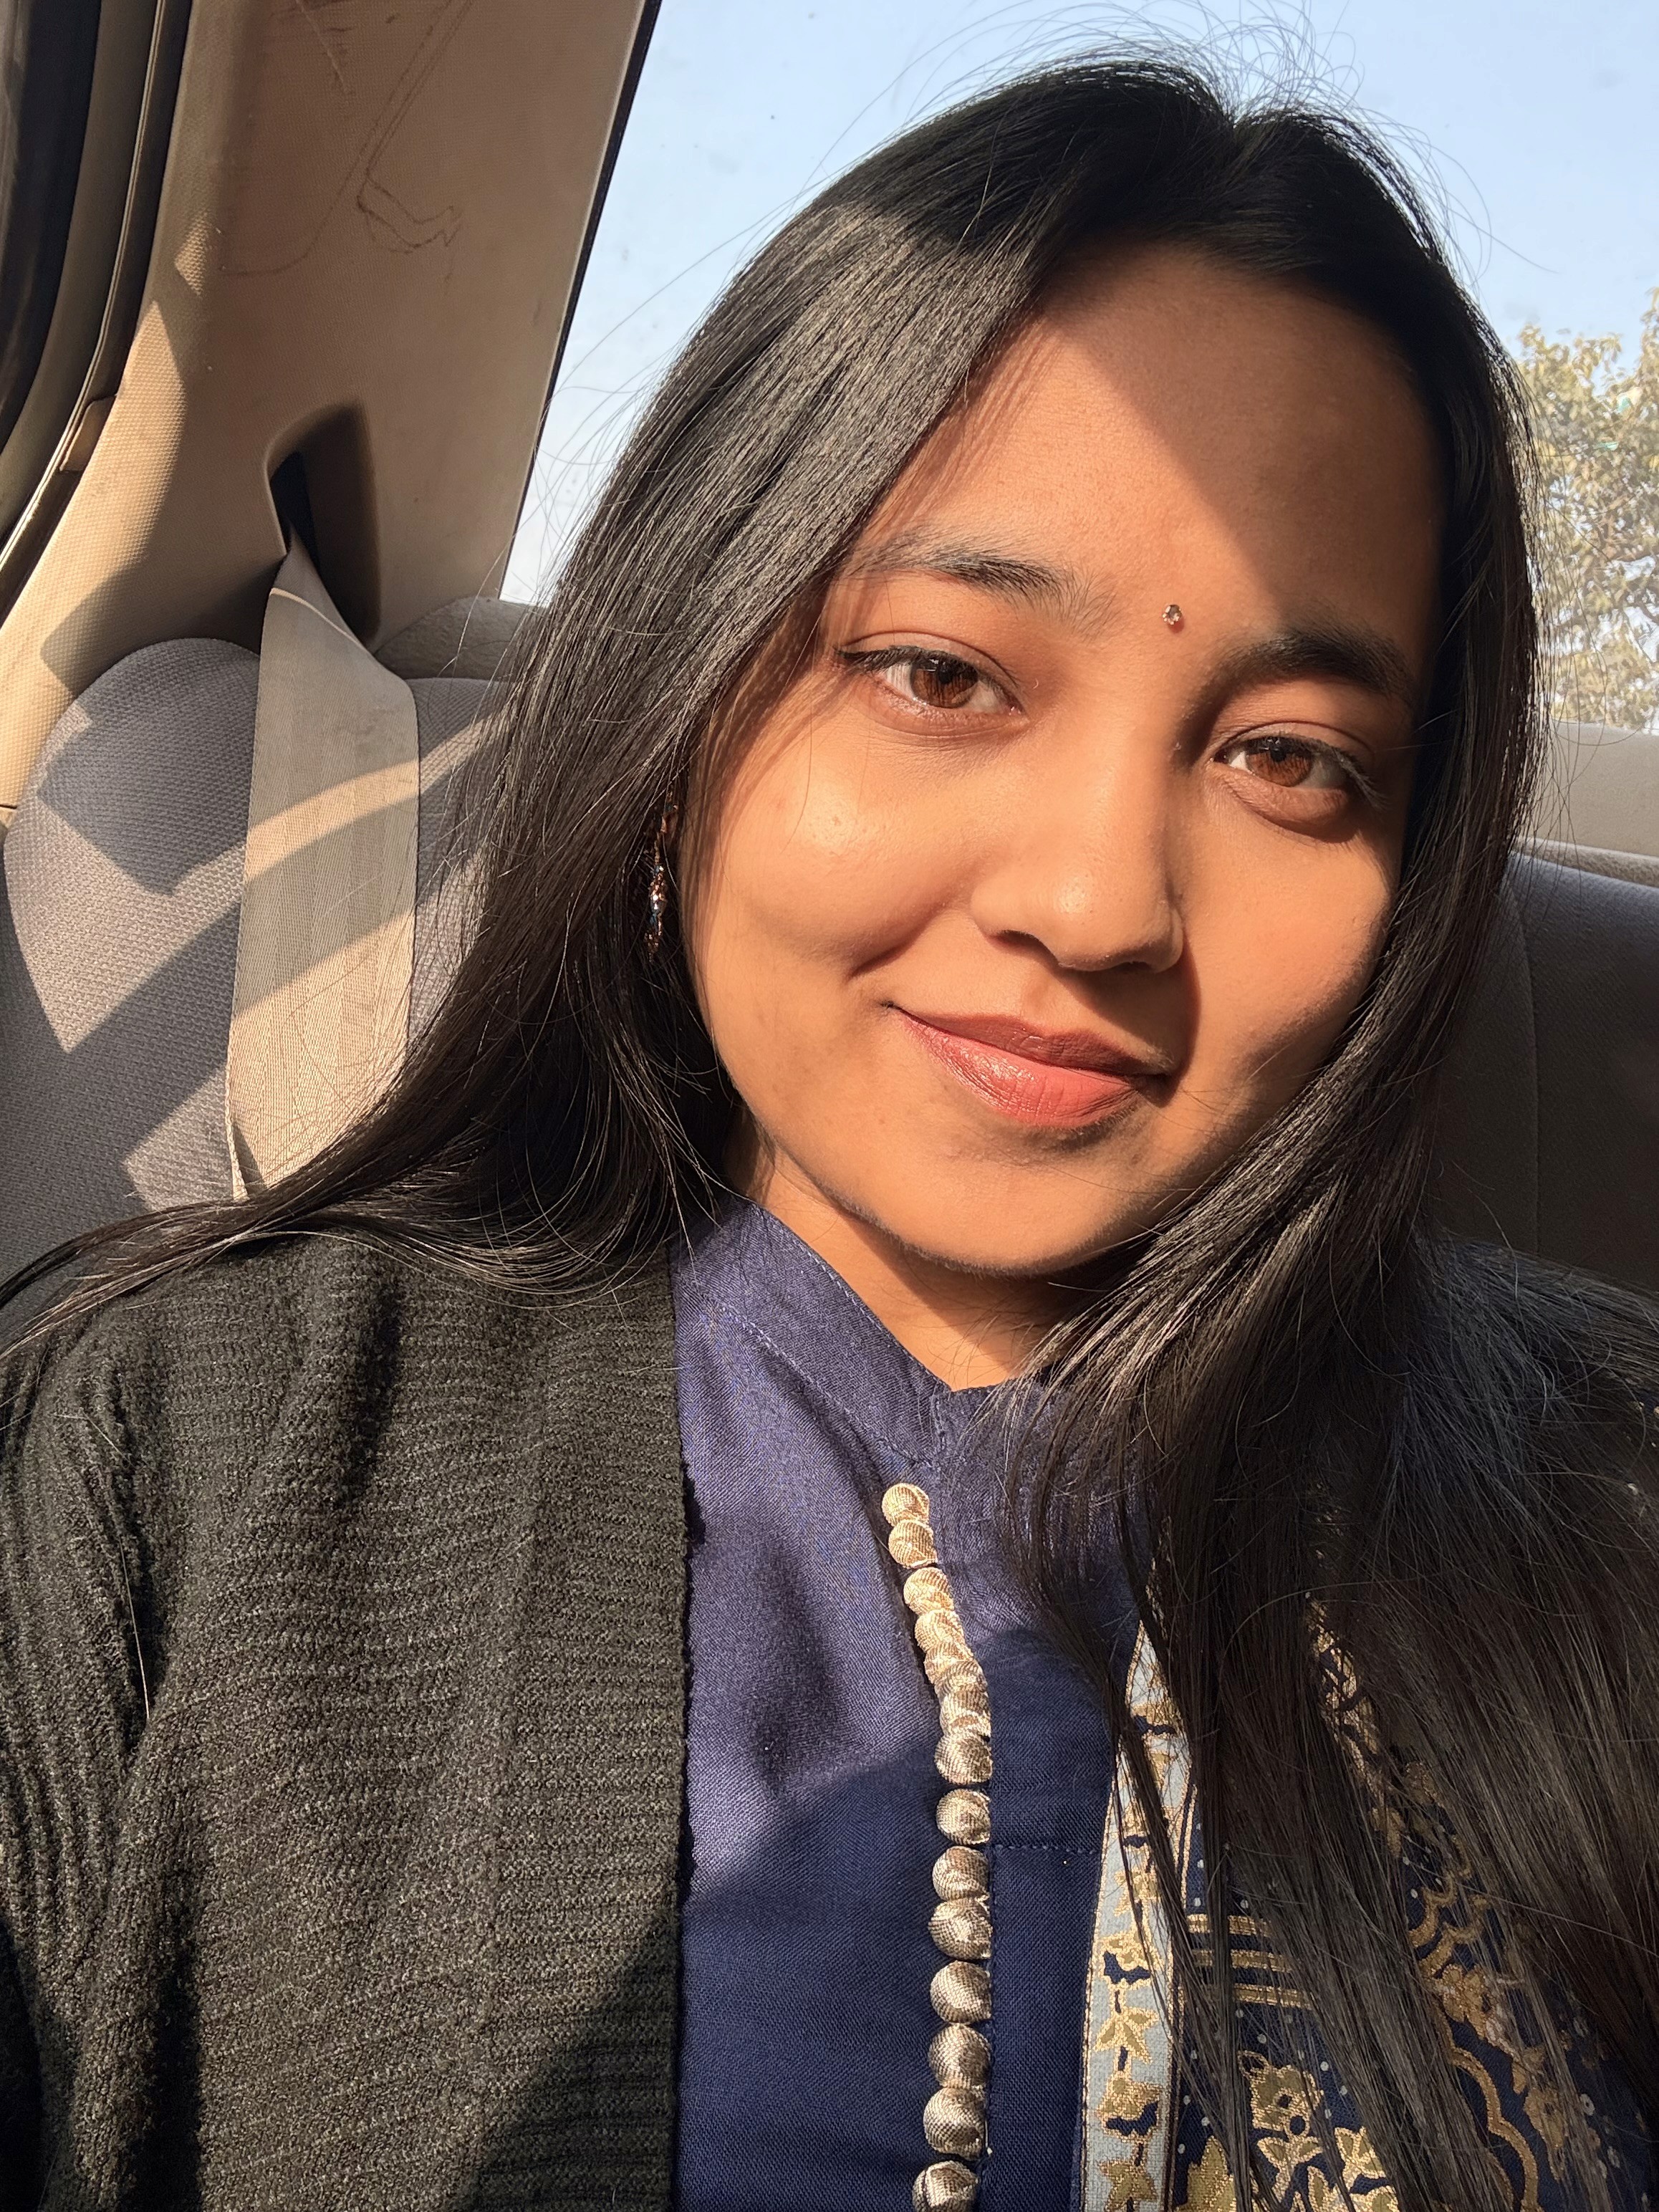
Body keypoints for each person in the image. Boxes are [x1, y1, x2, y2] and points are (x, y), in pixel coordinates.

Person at [0, 54, 1654, 2212]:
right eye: (943, 675)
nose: (1093, 906)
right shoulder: (179, 1458)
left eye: (1284, 757)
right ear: (686, 703)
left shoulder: (1610, 1490)